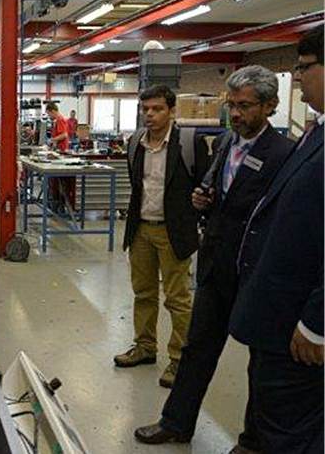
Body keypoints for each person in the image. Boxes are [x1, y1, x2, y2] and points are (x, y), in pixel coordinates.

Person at [134, 66, 294, 453]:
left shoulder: (284, 154)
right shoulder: (225, 142)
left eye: (245, 106)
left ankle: (253, 440)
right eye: (232, 105)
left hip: (255, 273)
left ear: (270, 106)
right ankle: (176, 423)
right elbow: (220, 196)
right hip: (217, 267)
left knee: (260, 362)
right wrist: (203, 203)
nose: (236, 114)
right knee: (197, 349)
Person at [229, 26, 324, 454]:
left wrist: (317, 325)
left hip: (301, 329)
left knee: (290, 434)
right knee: (272, 419)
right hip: (277, 319)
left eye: (304, 67)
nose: (298, 78)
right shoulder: (315, 132)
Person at [116, 85, 199, 388]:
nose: (150, 115)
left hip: (172, 232)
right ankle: (145, 347)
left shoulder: (187, 143)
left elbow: (202, 187)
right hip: (140, 230)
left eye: (157, 109)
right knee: (144, 293)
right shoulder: (135, 142)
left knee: (178, 299)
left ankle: (179, 360)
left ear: (171, 111)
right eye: (145, 109)